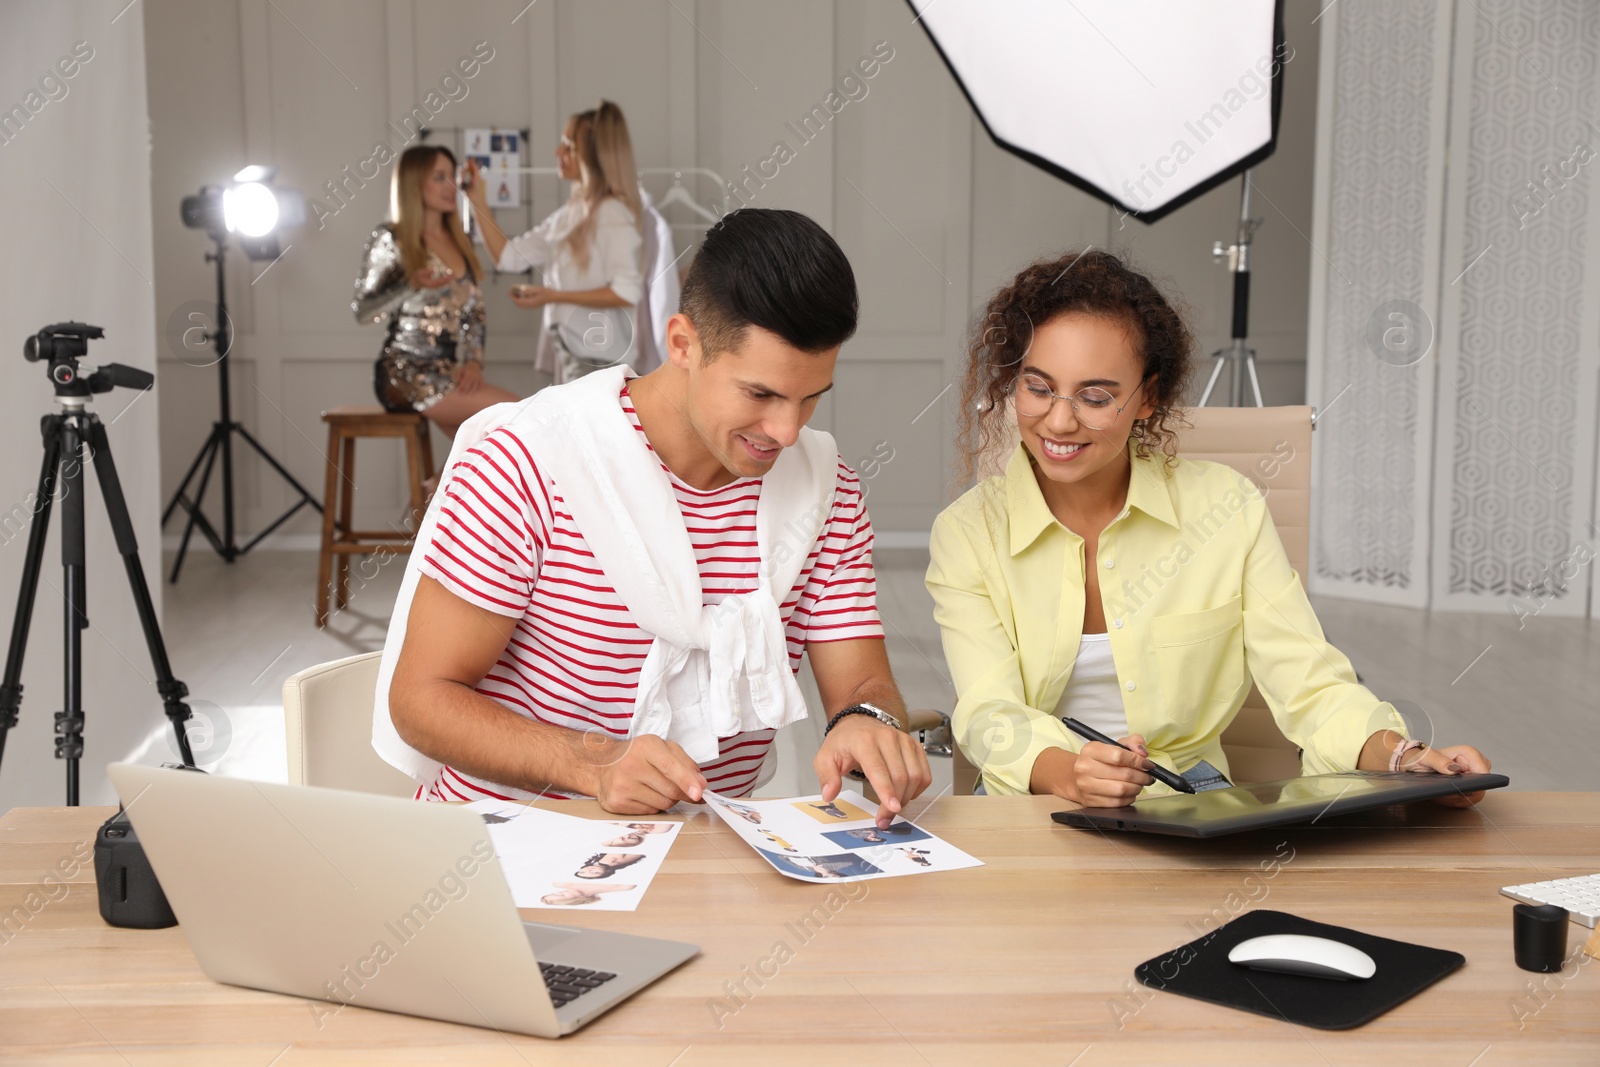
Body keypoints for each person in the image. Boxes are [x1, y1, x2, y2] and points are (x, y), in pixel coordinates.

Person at [376, 207, 933, 828]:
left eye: (810, 398)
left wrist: (870, 722)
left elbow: (861, 682)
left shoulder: (826, 487)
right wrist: (593, 764)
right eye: (761, 394)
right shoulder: (531, 459)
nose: (787, 431)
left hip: (707, 855)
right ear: (682, 344)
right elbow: (420, 701)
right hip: (508, 850)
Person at [926, 249, 1493, 807]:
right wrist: (1071, 774)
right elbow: (988, 711)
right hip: (1032, 804)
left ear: (1148, 398)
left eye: (1096, 397)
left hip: (1188, 803)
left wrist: (1401, 756)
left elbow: (1309, 681)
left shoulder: (1226, 507)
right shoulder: (968, 533)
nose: (1058, 420)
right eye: (1039, 387)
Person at [468, 100, 646, 384]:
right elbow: (507, 257)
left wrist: (553, 296)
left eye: (567, 145)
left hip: (599, 361)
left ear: (591, 154)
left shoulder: (612, 213)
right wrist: (476, 200)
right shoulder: (569, 215)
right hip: (574, 354)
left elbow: (625, 292)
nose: (557, 152)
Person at [353, 145, 520, 444]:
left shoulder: (459, 241)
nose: (451, 187)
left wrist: (473, 363)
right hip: (404, 372)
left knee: (481, 445)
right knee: (516, 414)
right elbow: (363, 311)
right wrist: (411, 284)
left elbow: (474, 314)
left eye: (453, 177)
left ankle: (432, 489)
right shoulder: (392, 238)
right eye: (439, 178)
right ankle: (435, 489)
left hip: (449, 370)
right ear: (415, 182)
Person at [541, 881, 636, 906]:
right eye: (561, 895)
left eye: (554, 893)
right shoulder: (626, 887)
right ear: (573, 900)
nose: (558, 892)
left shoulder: (560, 883)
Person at [574, 852, 645, 879]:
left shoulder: (598, 862)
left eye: (582, 872)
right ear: (606, 872)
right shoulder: (609, 862)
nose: (589, 870)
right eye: (594, 872)